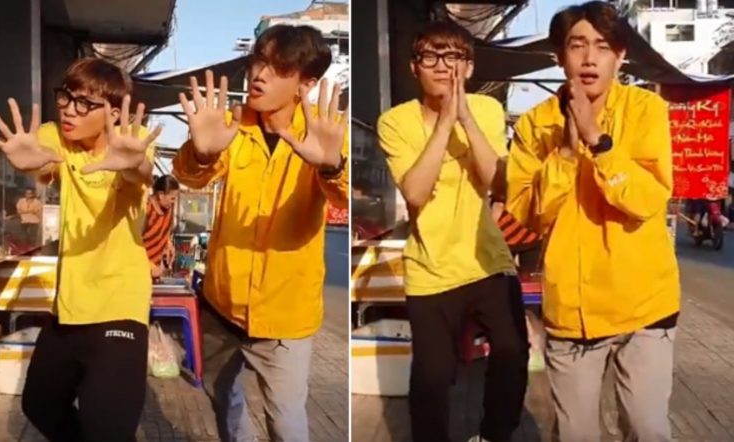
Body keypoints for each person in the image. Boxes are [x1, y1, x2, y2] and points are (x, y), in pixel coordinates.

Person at [505, 2, 680, 441]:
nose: (588, 58)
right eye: (577, 45)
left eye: (602, 46)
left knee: (647, 429)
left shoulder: (645, 110)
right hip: (573, 312)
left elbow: (647, 199)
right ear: (559, 57)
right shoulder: (536, 125)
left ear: (620, 56)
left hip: (644, 305)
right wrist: (565, 154)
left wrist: (598, 143)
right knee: (576, 433)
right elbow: (528, 214)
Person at [172, 24, 348, 441]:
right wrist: (201, 154)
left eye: (278, 68)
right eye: (258, 61)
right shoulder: (233, 126)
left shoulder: (323, 134)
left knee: (286, 420)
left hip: (286, 316)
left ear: (306, 83)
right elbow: (190, 176)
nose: (259, 75)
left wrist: (331, 166)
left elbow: (343, 195)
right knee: (221, 395)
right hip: (221, 304)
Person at [0, 57, 161, 442]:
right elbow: (36, 154)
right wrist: (24, 163)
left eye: (84, 103)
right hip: (68, 306)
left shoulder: (131, 141)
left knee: (107, 430)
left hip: (119, 307)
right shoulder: (59, 137)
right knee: (39, 405)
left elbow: (140, 171)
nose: (68, 109)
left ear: (114, 113)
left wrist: (133, 165)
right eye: (66, 96)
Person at [376, 21, 528, 442]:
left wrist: (465, 118)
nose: (443, 66)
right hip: (431, 269)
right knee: (432, 376)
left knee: (513, 353)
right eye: (431, 57)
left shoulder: (487, 109)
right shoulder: (395, 122)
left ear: (470, 67)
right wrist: (444, 124)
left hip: (488, 261)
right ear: (414, 67)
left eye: (454, 57)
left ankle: (494, 435)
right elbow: (415, 193)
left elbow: (498, 184)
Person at [143, 174, 179, 279]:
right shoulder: (146, 210)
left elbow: (163, 230)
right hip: (140, 266)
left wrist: (168, 244)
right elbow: (131, 243)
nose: (174, 201)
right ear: (161, 195)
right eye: (172, 198)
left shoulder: (169, 208)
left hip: (156, 267)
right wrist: (149, 265)